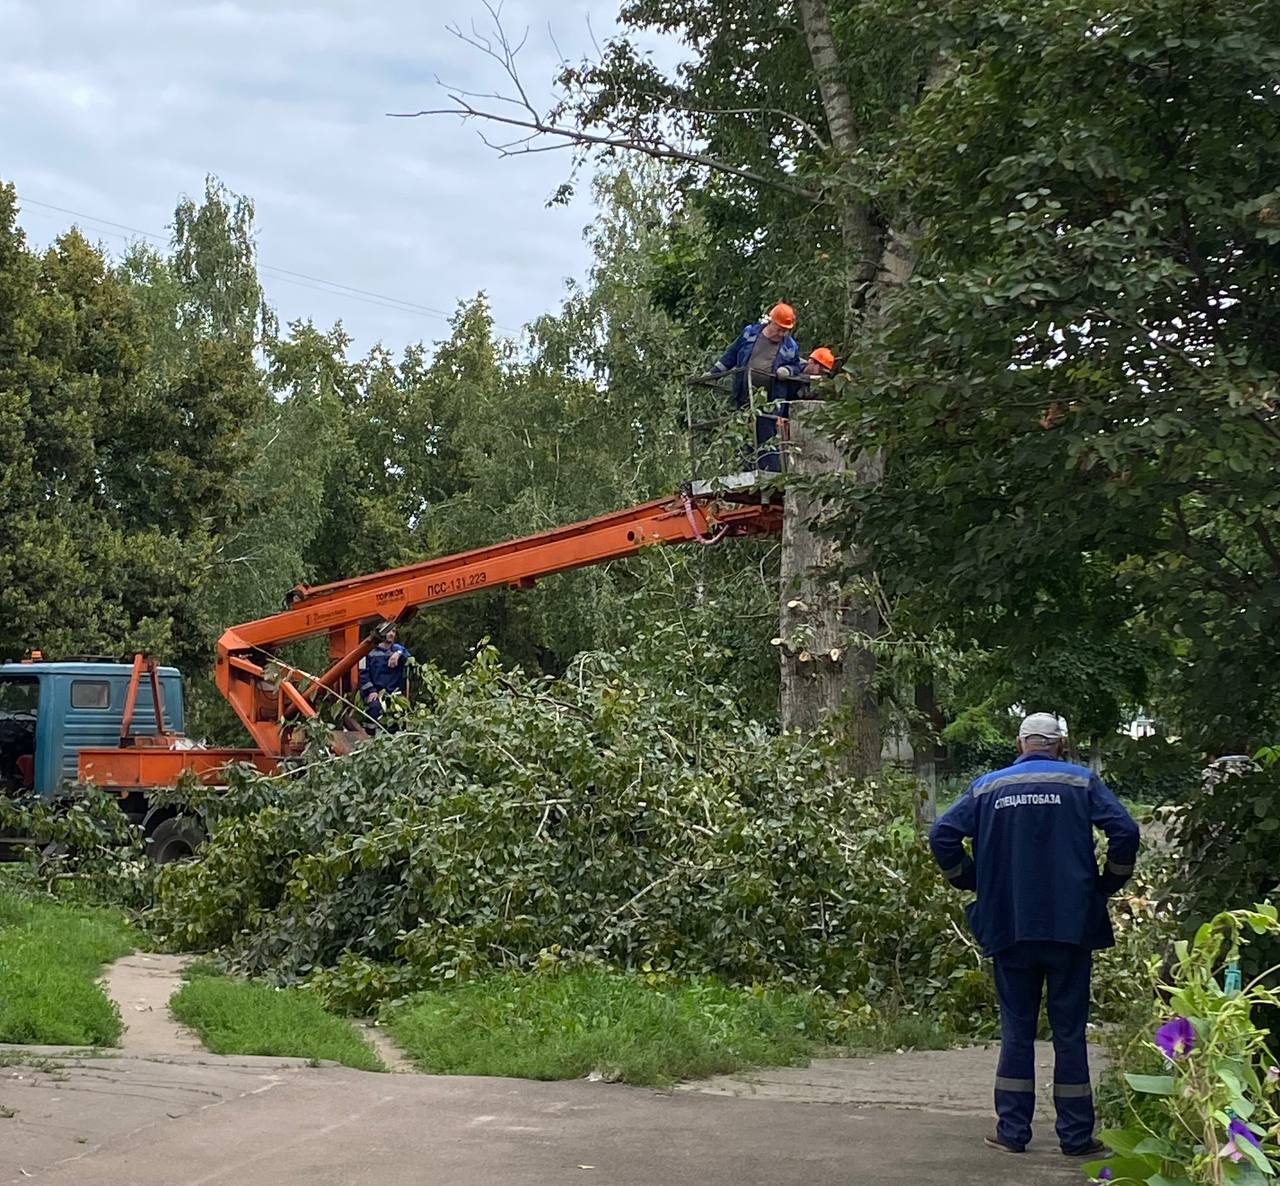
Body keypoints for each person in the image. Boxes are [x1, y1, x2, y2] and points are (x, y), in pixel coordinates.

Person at [930, 712, 1139, 1158]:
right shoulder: (1082, 782)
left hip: (1009, 925)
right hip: (1071, 927)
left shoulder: (988, 787)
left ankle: (1012, 1132)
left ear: (1019, 743)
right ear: (1061, 744)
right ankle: (1077, 1137)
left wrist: (969, 880)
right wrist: (1107, 883)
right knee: (1069, 1033)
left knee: (1017, 1031)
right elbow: (1125, 830)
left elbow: (942, 834)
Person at [703, 303, 803, 472]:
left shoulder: (789, 345)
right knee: (745, 435)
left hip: (770, 401)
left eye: (786, 330)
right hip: (744, 396)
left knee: (767, 436)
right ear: (771, 322)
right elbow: (732, 354)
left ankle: (770, 473)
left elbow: (797, 366)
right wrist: (713, 373)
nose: (782, 333)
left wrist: (787, 370)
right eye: (780, 329)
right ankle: (749, 469)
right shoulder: (750, 333)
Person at [359, 624, 411, 731]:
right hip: (376, 693)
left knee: (398, 716)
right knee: (374, 708)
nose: (391, 634)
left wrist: (399, 653)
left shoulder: (398, 652)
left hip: (394, 695)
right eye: (388, 631)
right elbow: (363, 675)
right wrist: (371, 691)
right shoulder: (368, 653)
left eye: (394, 631)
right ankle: (370, 737)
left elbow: (410, 660)